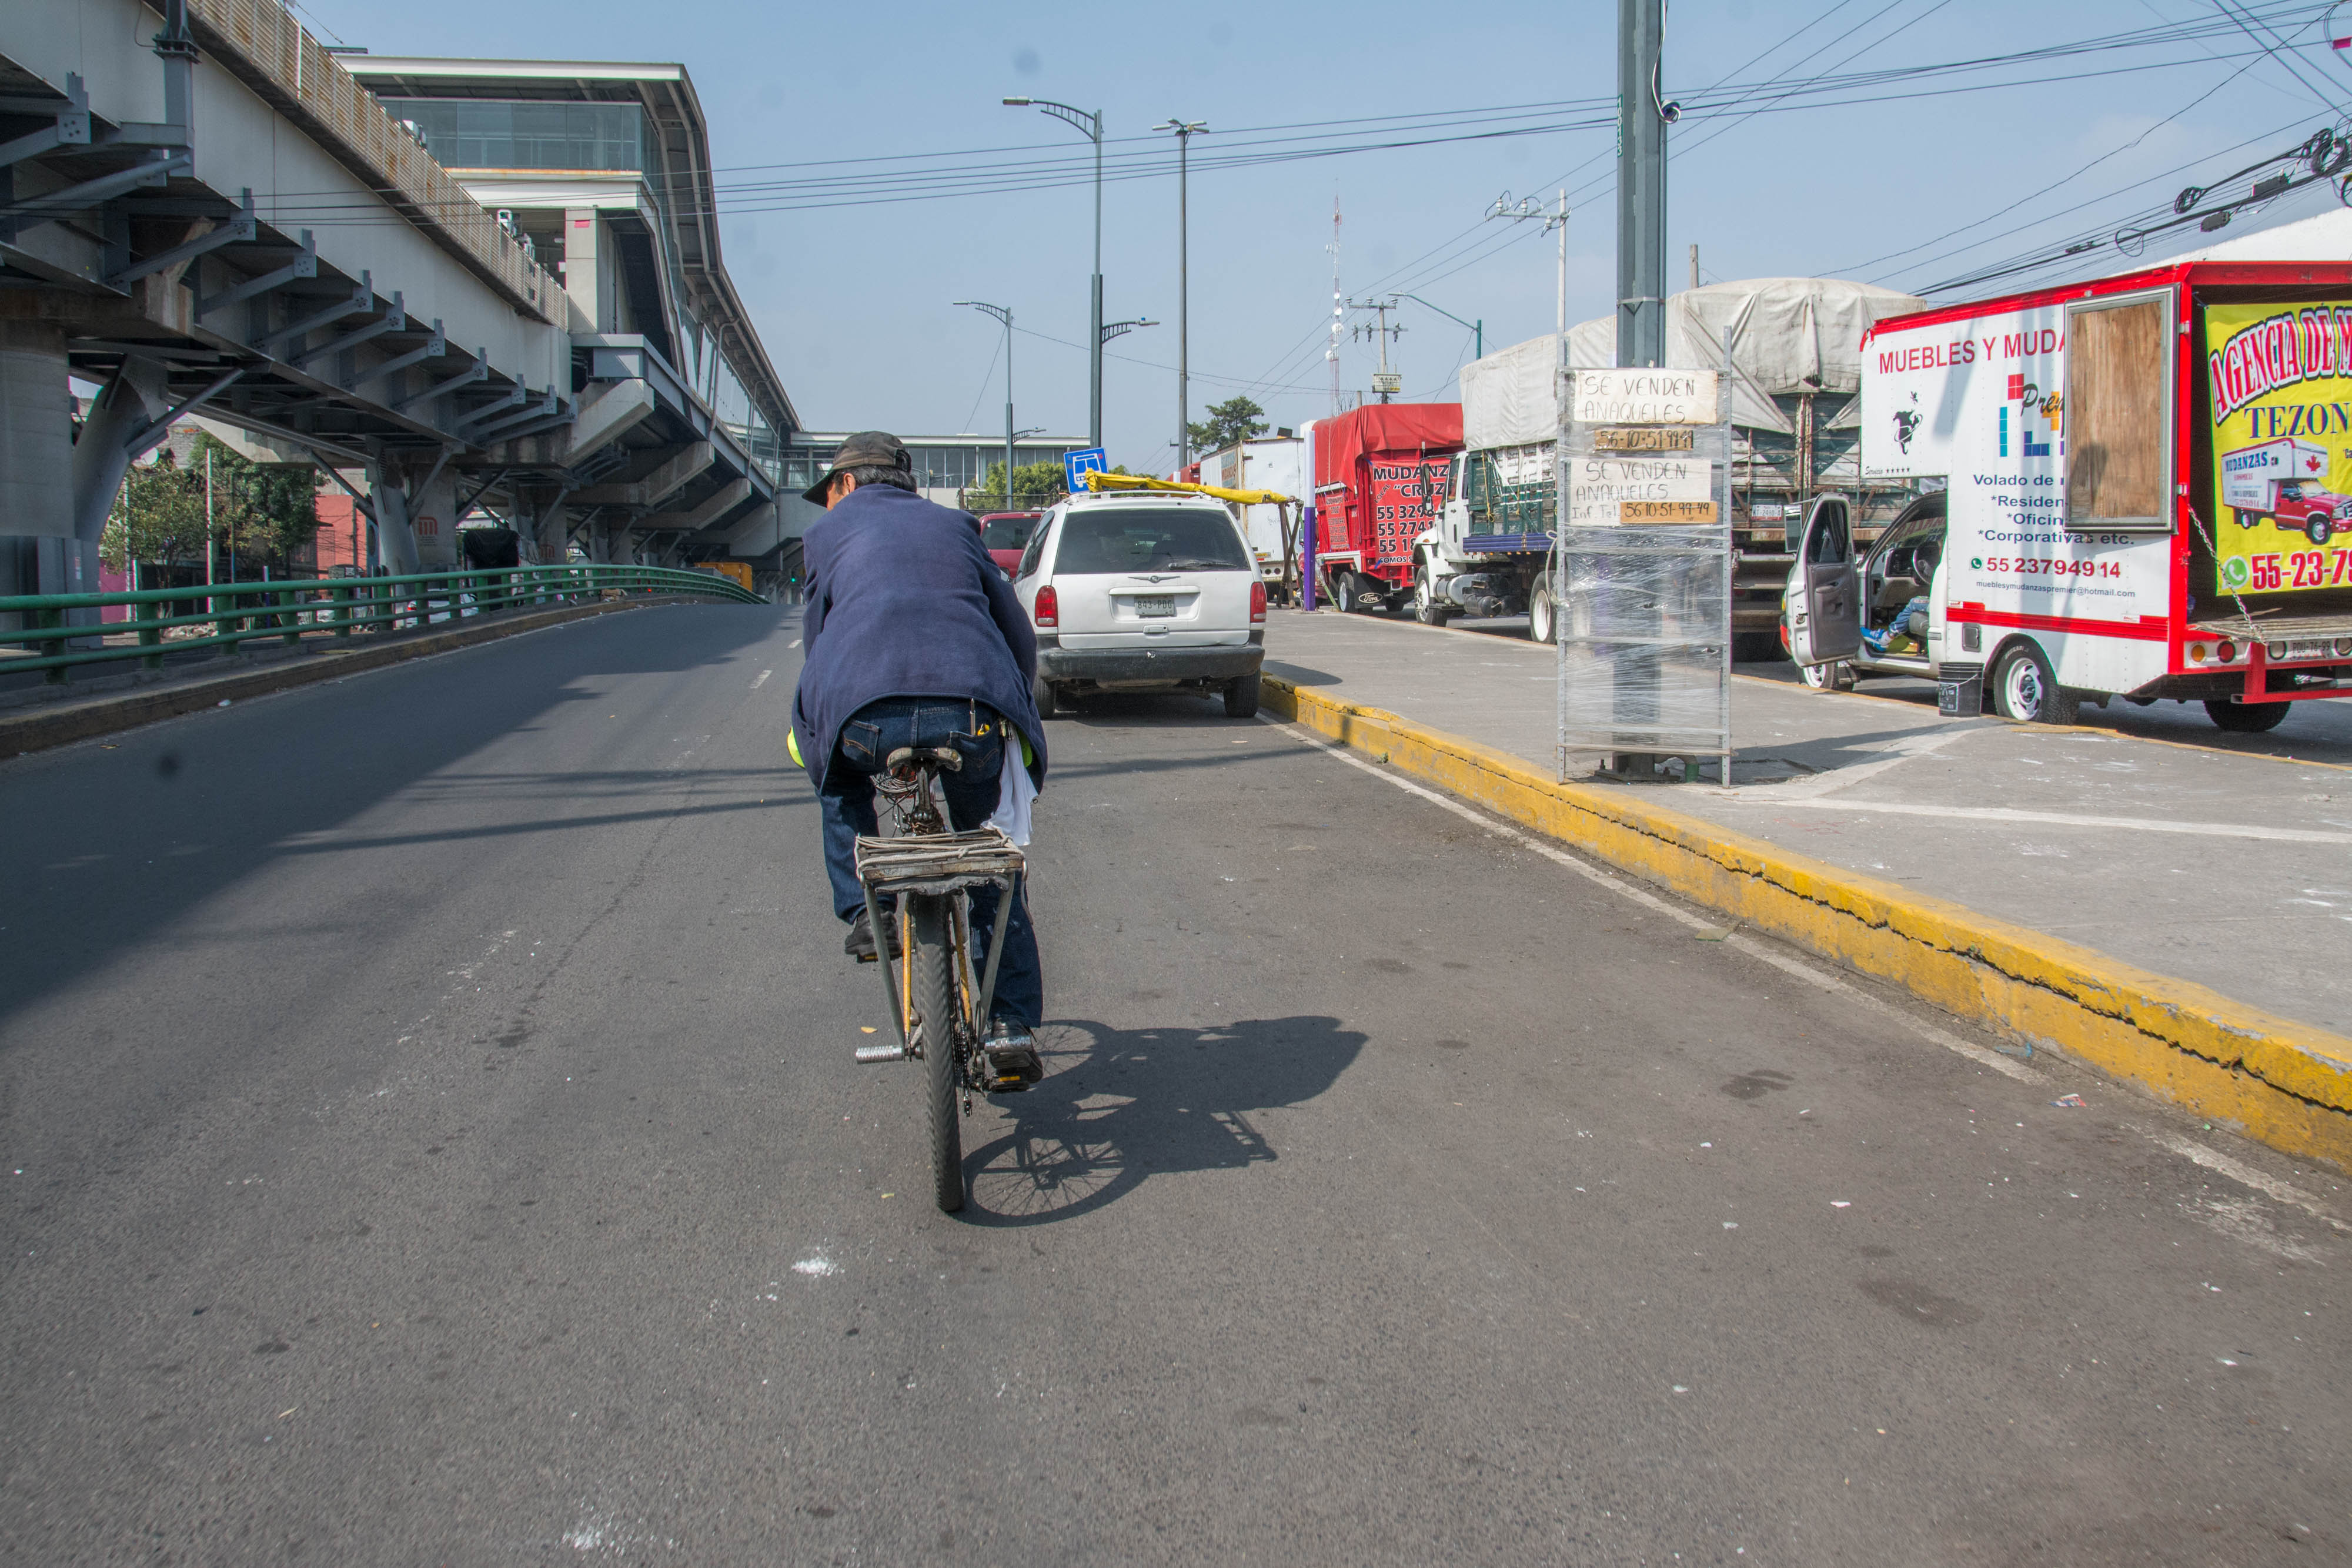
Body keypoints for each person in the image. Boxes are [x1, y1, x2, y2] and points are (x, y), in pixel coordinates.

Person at [789, 432, 1047, 1085]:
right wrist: (1011, 703)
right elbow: (1013, 628)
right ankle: (1011, 1024)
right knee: (990, 856)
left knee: (838, 785)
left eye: (829, 494)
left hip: (863, 716)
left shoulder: (826, 536)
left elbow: (818, 647)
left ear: (846, 485)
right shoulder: (956, 525)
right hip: (970, 713)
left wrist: (822, 725)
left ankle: (866, 917)